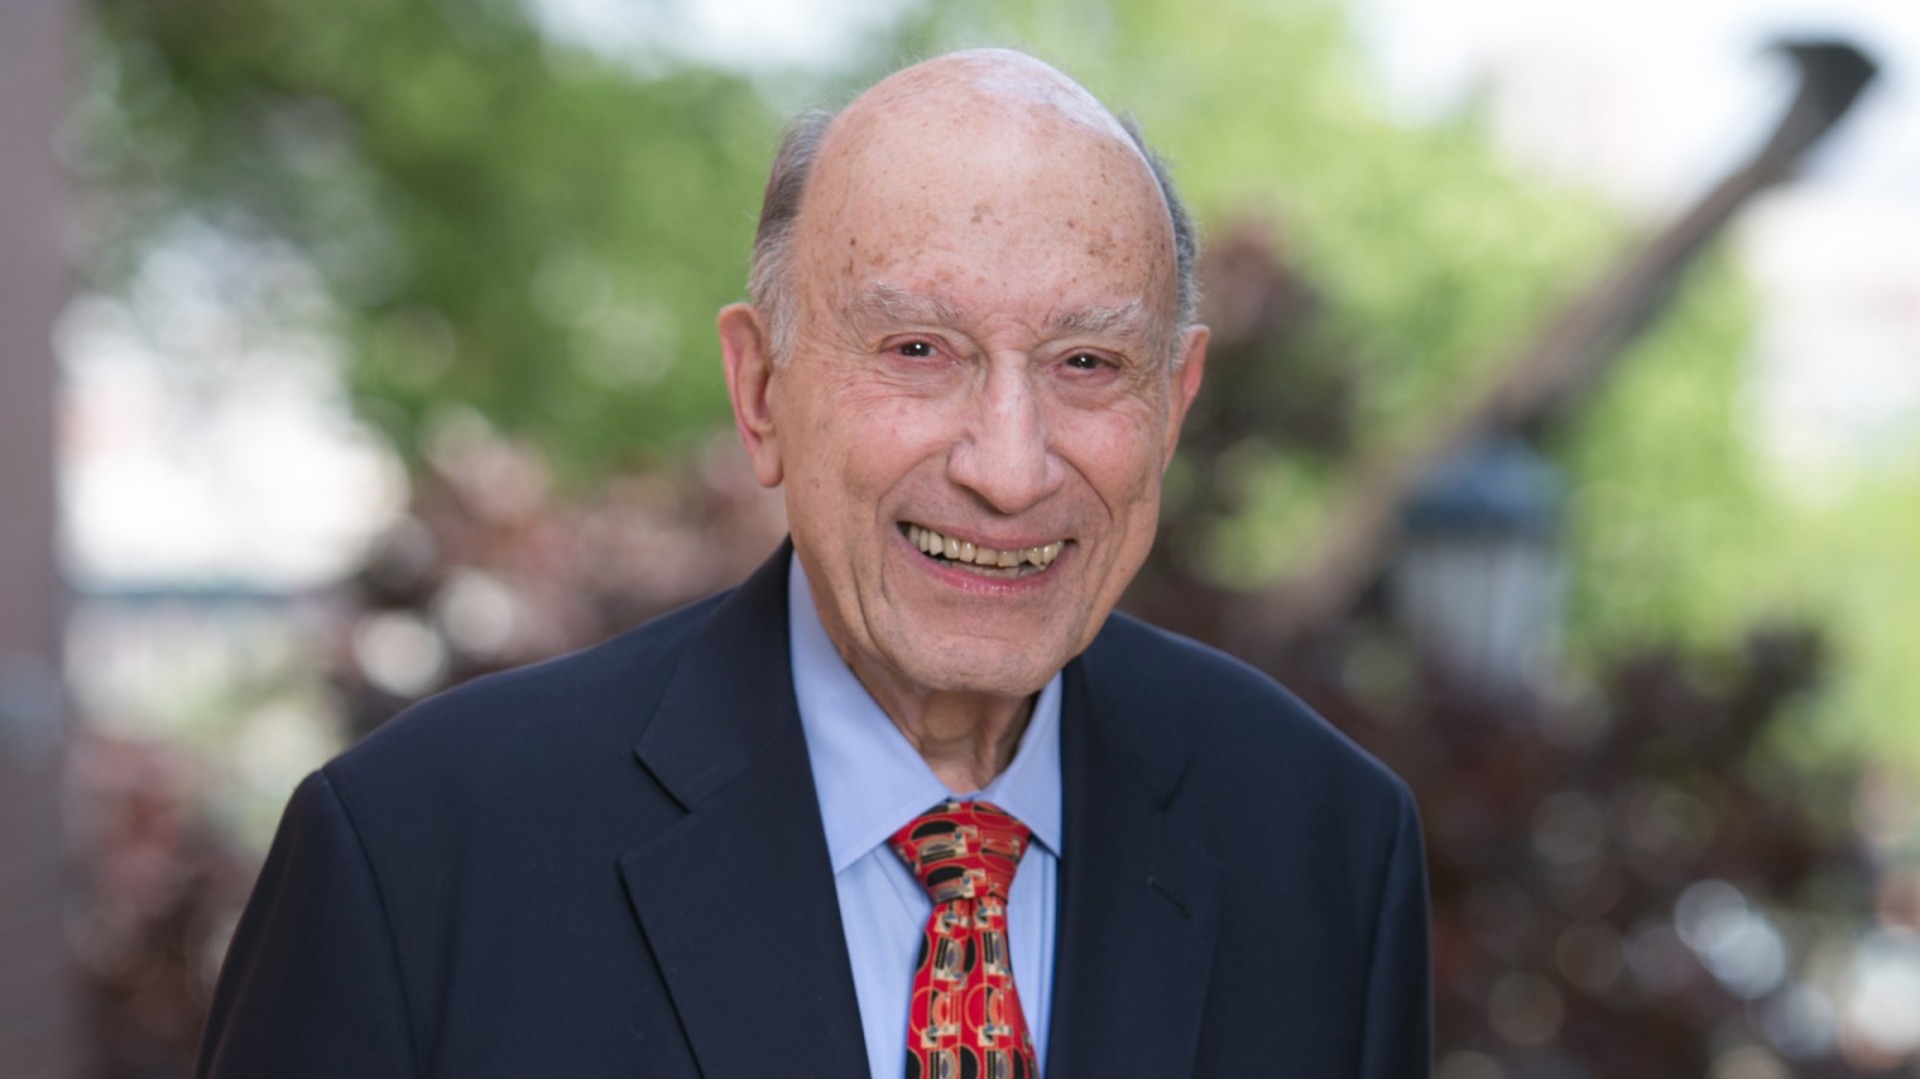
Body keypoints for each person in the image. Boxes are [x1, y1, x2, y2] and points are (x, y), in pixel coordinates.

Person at [196, 48, 1430, 1079]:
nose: (1008, 466)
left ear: (1175, 401)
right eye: (917, 348)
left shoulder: (1324, 845)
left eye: (1088, 365)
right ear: (763, 389)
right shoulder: (418, 860)